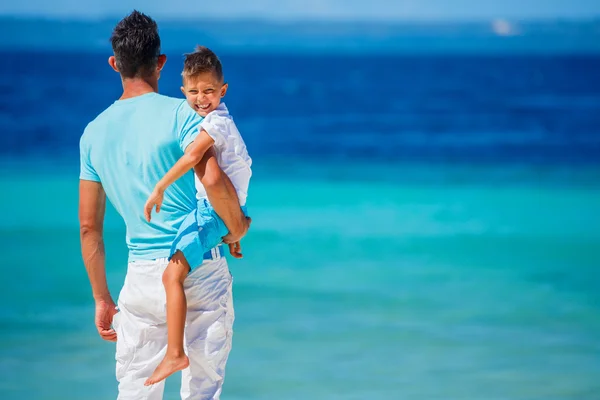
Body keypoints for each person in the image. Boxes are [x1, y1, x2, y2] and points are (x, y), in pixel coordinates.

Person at [78, 10, 249, 400]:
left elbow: (89, 227)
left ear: (114, 64)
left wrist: (102, 298)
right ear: (161, 63)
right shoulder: (183, 113)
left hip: (139, 279)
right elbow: (211, 178)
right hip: (197, 266)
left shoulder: (92, 134)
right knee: (201, 393)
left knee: (137, 393)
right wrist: (236, 226)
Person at [143, 46, 252, 386]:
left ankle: (175, 353)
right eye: (194, 91)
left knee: (170, 277)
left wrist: (160, 187)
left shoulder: (216, 122)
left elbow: (193, 156)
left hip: (214, 212)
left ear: (223, 90)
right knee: (178, 268)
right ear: (183, 92)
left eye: (209, 91)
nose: (202, 98)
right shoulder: (221, 118)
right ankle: (231, 239)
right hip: (223, 212)